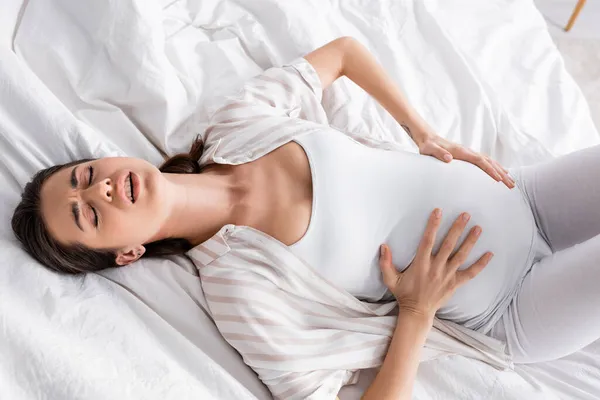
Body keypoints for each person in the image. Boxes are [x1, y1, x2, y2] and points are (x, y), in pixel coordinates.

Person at [11, 37, 600, 399]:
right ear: (127, 255)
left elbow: (343, 53)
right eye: (87, 214)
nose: (103, 188)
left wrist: (424, 133)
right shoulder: (240, 288)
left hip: (528, 195)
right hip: (512, 306)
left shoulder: (235, 127)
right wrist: (416, 315)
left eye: (86, 176)